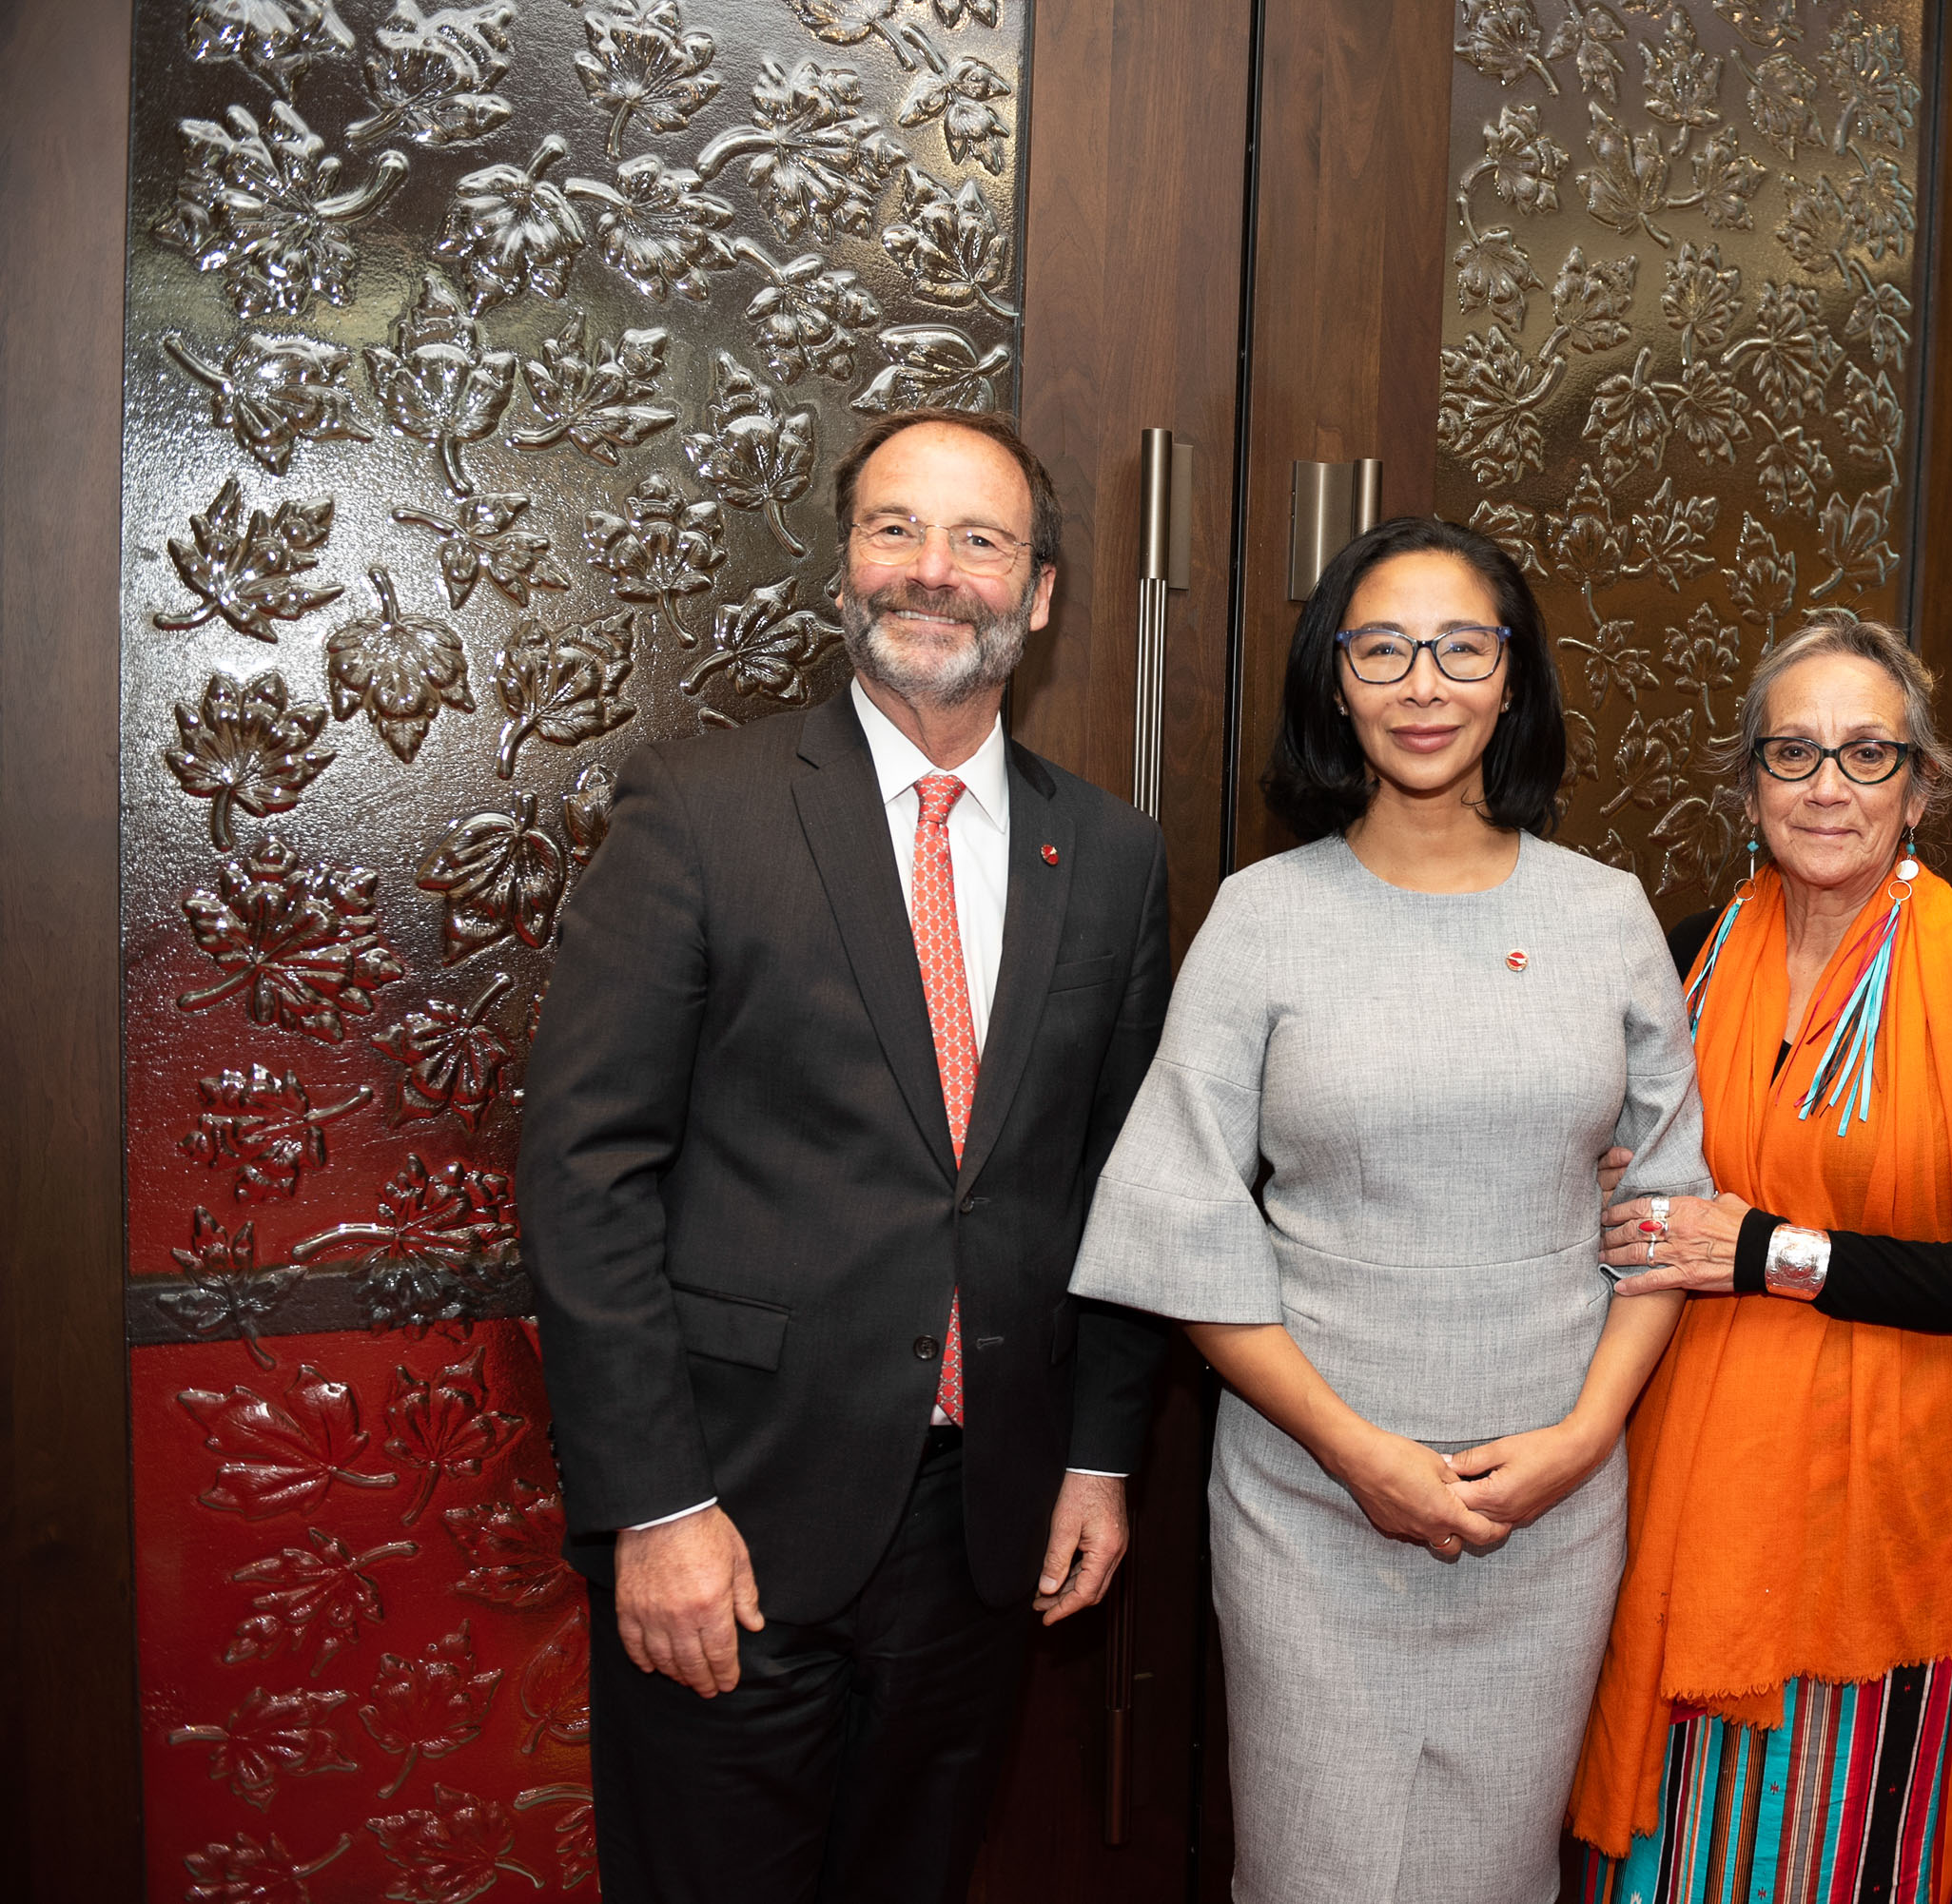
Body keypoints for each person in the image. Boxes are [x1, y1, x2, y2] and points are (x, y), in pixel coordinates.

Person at [518, 407, 1173, 1903]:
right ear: (841, 572)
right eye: (895, 530)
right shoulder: (702, 810)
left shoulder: (1113, 856)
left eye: (979, 540)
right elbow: (584, 1168)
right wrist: (656, 1506)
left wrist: (1096, 1453)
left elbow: (1125, 1186)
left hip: (982, 1527)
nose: (932, 571)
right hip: (730, 1517)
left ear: (1043, 592)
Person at [1068, 516, 1711, 1903]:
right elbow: (1181, 1226)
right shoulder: (1261, 915)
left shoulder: (1605, 915)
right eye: (1383, 648)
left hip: (1550, 1501)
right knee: (1317, 1864)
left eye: (1461, 647)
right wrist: (1360, 1451)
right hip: (1312, 1500)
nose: (1424, 683)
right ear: (1337, 682)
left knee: (1500, 1865)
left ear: (1513, 678)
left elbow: (1666, 1205)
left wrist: (1586, 1439)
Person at [1570, 616, 1952, 1903]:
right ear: (1748, 782)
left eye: (1868, 754)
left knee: (1831, 1848)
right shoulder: (1689, 948)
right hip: (1683, 1476)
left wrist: (1770, 1250)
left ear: (1922, 786)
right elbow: (1641, 1176)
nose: (1826, 786)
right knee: (1674, 1854)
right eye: (1793, 751)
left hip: (1882, 1501)